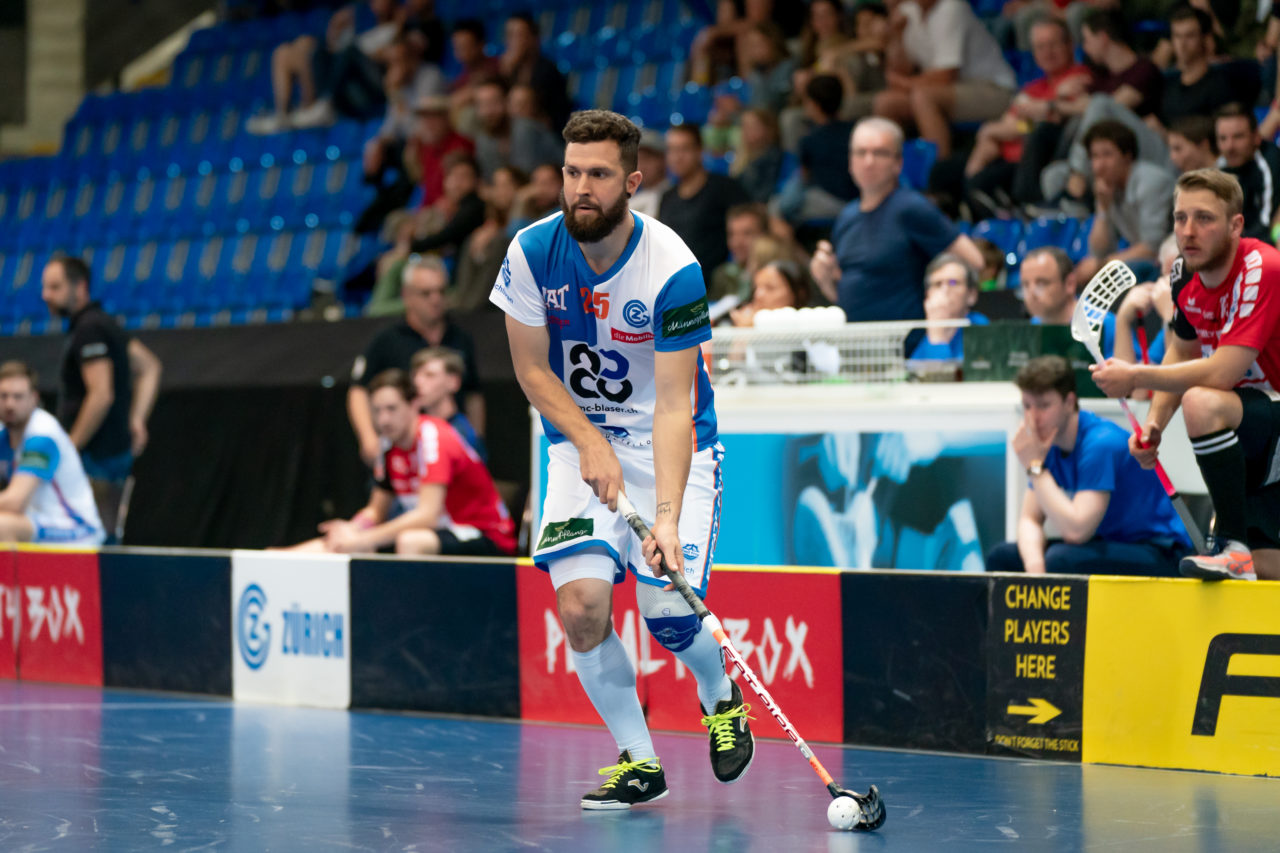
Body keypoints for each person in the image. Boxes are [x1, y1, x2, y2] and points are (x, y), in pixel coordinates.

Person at [490, 109, 753, 809]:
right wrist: (588, 443)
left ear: (632, 181)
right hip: (582, 445)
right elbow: (532, 372)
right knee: (581, 610)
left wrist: (664, 518)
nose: (581, 188)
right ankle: (640, 759)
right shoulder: (530, 252)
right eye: (572, 173)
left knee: (668, 609)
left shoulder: (674, 270)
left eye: (599, 175)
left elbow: (673, 407)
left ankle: (719, 693)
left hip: (673, 448)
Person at [1092, 168, 1280, 581]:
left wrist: (1138, 377)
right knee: (1269, 569)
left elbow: (1222, 371)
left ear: (1235, 226)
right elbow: (1182, 347)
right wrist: (1155, 423)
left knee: (1201, 400)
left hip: (1267, 414)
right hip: (1255, 426)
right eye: (1180, 218)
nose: (1189, 231)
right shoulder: (1182, 275)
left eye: (1204, 218)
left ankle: (1230, 546)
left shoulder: (1262, 268)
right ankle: (1240, 553)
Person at [985, 356, 1191, 575]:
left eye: (1044, 406)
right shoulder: (1049, 444)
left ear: (1069, 402)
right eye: (1027, 406)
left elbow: (1076, 531)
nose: (1033, 418)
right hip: (1109, 543)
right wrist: (1035, 571)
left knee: (1061, 560)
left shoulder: (1100, 442)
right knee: (1002, 558)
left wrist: (1035, 468)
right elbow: (1030, 519)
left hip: (1160, 549)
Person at [289, 370, 513, 556]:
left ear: (414, 404)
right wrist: (351, 529)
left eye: (392, 409)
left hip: (486, 535)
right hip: (438, 533)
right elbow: (376, 511)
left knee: (410, 542)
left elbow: (428, 514)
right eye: (377, 411)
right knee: (343, 545)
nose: (383, 420)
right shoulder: (388, 446)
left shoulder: (434, 437)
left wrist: (361, 539)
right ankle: (276, 556)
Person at [810, 117, 983, 323]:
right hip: (857, 345)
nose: (869, 161)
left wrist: (942, 300)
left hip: (905, 345)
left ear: (898, 163)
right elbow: (848, 295)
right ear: (850, 161)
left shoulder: (911, 208)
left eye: (880, 153)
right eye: (861, 152)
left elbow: (974, 261)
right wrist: (825, 278)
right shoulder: (847, 216)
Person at [41, 255, 161, 542]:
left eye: (55, 287)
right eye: (45, 287)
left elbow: (101, 395)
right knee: (106, 534)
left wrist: (69, 449)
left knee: (92, 540)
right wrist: (136, 419)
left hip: (97, 456)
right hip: (112, 453)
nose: (46, 295)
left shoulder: (90, 328)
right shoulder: (104, 323)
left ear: (80, 287)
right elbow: (150, 367)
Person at [350, 255, 482, 468]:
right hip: (402, 444)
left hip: (451, 441)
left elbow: (474, 393)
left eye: (441, 291)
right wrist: (368, 438)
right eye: (426, 293)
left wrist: (477, 437)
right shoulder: (387, 339)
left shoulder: (460, 337)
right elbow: (358, 390)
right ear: (407, 296)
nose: (436, 299)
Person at [874, 0, 1016, 158]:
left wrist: (903, 84)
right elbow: (901, 70)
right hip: (951, 89)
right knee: (886, 103)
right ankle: (890, 171)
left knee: (924, 97)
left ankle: (937, 171)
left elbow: (946, 76)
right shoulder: (908, 12)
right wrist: (896, 35)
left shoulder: (952, 7)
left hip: (994, 89)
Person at [0, 361, 105, 546]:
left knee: (3, 526)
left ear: (34, 398)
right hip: (37, 522)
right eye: (3, 396)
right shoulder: (4, 435)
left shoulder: (42, 435)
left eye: (18, 397)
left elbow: (16, 501)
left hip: (78, 530)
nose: (10, 404)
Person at [1020, 246, 1165, 361]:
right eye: (1025, 285)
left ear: (1070, 284)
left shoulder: (1105, 323)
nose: (1031, 293)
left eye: (1042, 283)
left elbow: (1131, 384)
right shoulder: (1033, 326)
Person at [1074, 119, 1173, 285]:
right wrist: (1103, 209)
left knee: (1116, 275)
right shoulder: (1108, 186)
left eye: (1107, 154)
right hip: (1151, 263)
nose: (1099, 165)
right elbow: (1099, 250)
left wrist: (1102, 266)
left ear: (1127, 157)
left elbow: (1153, 247)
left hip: (1173, 262)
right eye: (1094, 156)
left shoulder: (1151, 182)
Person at [659, 123, 751, 289]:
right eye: (672, 150)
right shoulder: (667, 197)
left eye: (684, 149)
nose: (677, 157)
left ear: (699, 151)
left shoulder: (724, 188)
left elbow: (751, 228)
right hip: (676, 288)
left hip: (717, 286)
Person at [471, 76, 564, 180]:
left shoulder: (526, 129)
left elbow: (525, 177)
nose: (488, 111)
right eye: (482, 105)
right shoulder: (483, 140)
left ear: (507, 103)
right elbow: (489, 181)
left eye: (494, 103)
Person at [1214, 103, 1280, 244]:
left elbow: (1265, 226)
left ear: (1256, 137)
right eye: (1223, 138)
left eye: (1238, 137)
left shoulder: (1269, 163)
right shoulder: (1222, 165)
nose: (1229, 146)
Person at [410, 346, 486, 460]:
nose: (418, 382)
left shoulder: (462, 435)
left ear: (454, 382)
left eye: (429, 375)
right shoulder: (414, 428)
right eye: (415, 375)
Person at [908, 253, 989, 360]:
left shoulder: (981, 328)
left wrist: (938, 338)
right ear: (928, 294)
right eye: (937, 284)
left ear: (971, 295)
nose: (944, 290)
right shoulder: (922, 333)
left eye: (953, 282)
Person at [709, 203, 768, 304]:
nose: (737, 242)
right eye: (732, 234)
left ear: (764, 235)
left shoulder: (776, 275)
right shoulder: (722, 275)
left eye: (747, 233)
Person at [728, 259, 811, 327]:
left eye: (770, 288)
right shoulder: (745, 321)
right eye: (756, 288)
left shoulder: (809, 322)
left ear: (799, 293)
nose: (758, 295)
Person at [629, 129, 669, 220]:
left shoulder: (673, 196)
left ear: (662, 160)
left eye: (647, 159)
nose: (642, 166)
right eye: (638, 160)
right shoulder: (633, 199)